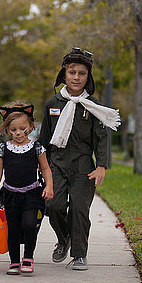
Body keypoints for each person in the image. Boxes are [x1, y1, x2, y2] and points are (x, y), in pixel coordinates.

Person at [39, 48, 120, 270]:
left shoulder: (93, 106)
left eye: (82, 73)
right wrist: (40, 165)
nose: (76, 77)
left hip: (83, 164)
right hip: (56, 161)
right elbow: (44, 137)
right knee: (53, 205)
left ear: (88, 77)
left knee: (79, 209)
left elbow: (101, 138)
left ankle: (79, 253)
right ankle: (63, 239)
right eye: (72, 72)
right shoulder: (53, 103)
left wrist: (101, 165)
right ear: (64, 75)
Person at [0, 101, 53, 275]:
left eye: (22, 128)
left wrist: (49, 186)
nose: (18, 133)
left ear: (31, 126)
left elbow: (46, 169)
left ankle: (28, 257)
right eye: (14, 129)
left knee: (30, 224)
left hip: (32, 193)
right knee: (13, 229)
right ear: (7, 129)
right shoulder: (3, 148)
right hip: (10, 194)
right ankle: (14, 261)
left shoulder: (37, 147)